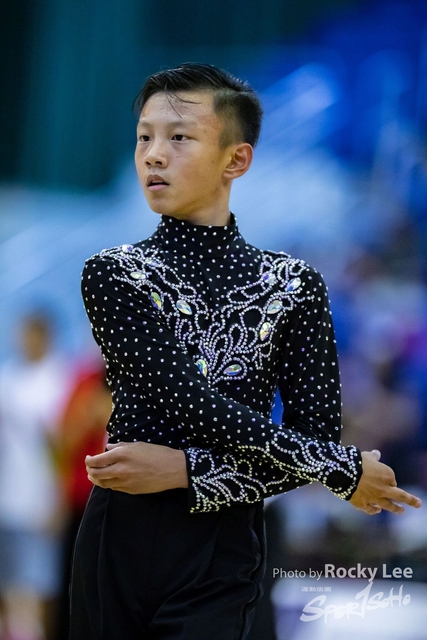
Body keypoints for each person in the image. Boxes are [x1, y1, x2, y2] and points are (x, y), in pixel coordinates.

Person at [71, 63, 422, 640]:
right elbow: (188, 401)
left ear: (236, 160)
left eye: (178, 137)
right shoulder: (114, 274)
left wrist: (187, 472)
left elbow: (316, 433)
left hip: (225, 548)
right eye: (143, 137)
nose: (153, 155)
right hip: (120, 541)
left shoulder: (294, 285)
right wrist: (339, 469)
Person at [0, 312, 71, 640]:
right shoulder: (9, 378)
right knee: (10, 581)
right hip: (9, 494)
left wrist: (60, 497)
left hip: (42, 497)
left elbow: (65, 447)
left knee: (40, 582)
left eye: (30, 334)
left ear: (46, 336)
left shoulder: (61, 380)